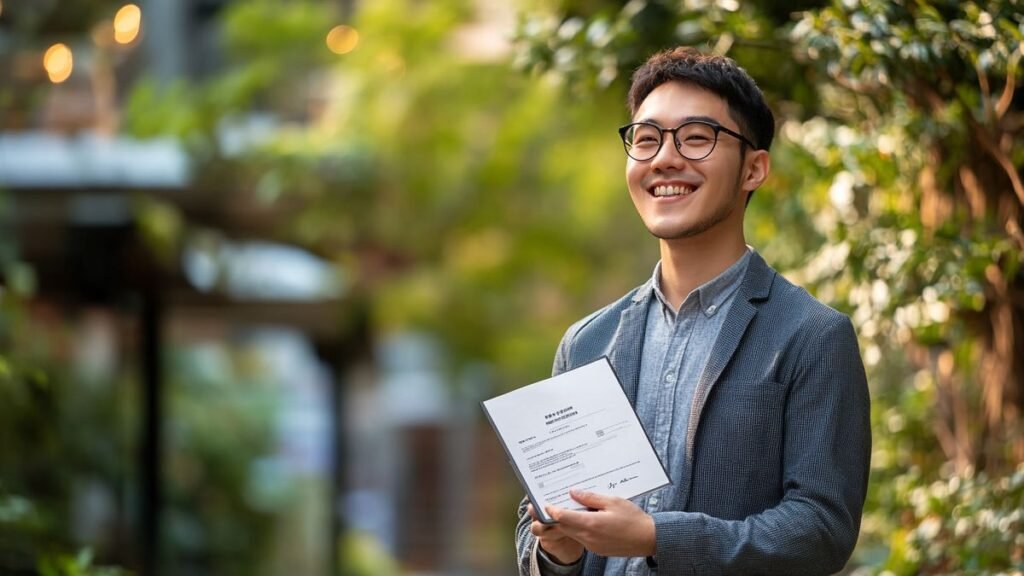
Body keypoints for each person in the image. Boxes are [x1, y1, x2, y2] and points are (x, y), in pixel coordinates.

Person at [514, 46, 871, 576]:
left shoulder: (811, 336)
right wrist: (556, 549)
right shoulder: (587, 342)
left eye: (697, 138)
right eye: (647, 139)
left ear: (754, 169)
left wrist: (658, 537)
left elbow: (820, 529)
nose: (664, 159)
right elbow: (545, 521)